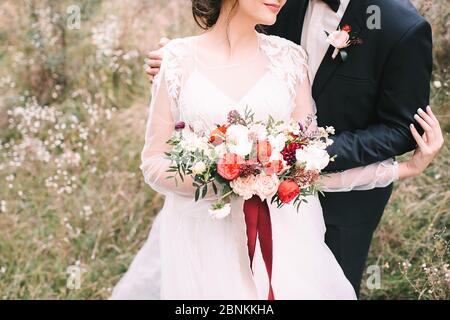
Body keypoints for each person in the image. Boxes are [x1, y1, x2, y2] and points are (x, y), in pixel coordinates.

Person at [112, 0, 443, 299]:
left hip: (298, 224)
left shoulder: (393, 27)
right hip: (203, 230)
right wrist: (226, 176)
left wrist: (279, 162)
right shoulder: (181, 59)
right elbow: (157, 161)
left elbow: (323, 158)